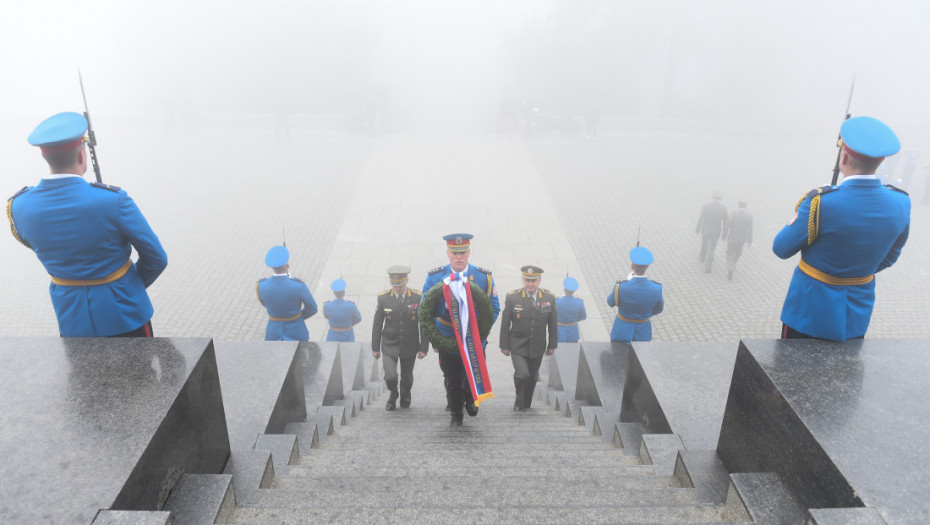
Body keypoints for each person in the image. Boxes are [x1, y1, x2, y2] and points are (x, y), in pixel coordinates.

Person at [7, 112, 167, 337]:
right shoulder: (114, 200)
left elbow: (35, 243)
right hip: (126, 316)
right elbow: (157, 257)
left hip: (71, 320)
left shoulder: (17, 206)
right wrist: (129, 287)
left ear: (46, 157)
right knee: (140, 373)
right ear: (82, 156)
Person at [774, 116, 910, 341]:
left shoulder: (820, 202)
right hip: (856, 313)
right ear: (881, 161)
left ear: (843, 157)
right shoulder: (901, 202)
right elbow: (890, 258)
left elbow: (781, 248)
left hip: (809, 313)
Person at [422, 233, 500, 426]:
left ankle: (471, 396)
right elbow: (425, 308)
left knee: (471, 373)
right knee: (453, 379)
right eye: (455, 252)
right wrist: (446, 308)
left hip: (474, 338)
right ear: (448, 253)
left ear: (468, 253)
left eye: (463, 252)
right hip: (447, 337)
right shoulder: (435, 277)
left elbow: (494, 307)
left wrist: (480, 330)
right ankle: (456, 414)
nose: (459, 257)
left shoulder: (483, 277)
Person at [500, 265, 558, 411]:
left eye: (533, 281)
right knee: (522, 374)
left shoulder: (548, 297)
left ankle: (527, 403)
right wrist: (504, 345)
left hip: (537, 346)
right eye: (527, 280)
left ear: (539, 281)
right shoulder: (513, 297)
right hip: (518, 345)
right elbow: (505, 323)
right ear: (523, 280)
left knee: (532, 377)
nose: (530, 284)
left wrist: (552, 345)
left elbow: (552, 323)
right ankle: (519, 401)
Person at [372, 266, 428, 411]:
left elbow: (423, 323)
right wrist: (375, 347)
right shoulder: (383, 298)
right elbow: (377, 324)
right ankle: (393, 393)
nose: (398, 289)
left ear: (407, 281)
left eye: (401, 285)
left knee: (407, 377)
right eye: (395, 286)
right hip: (389, 344)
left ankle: (405, 394)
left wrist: (423, 347)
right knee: (390, 376)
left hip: (409, 344)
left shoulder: (417, 297)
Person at [256, 245, 317, 341]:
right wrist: (297, 317)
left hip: (273, 333)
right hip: (297, 331)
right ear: (287, 265)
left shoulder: (260, 286)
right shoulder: (299, 286)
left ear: (272, 266)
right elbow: (313, 308)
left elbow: (265, 304)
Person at [607, 247, 664, 343]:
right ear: (648, 266)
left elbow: (610, 302)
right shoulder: (656, 288)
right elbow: (659, 309)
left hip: (622, 330)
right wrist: (644, 314)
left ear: (632, 265)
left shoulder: (620, 287)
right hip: (643, 331)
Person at [695, 191, 728, 273]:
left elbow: (701, 219)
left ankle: (702, 257)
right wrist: (724, 235)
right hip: (715, 232)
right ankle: (707, 267)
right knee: (711, 249)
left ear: (713, 198)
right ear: (720, 199)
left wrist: (697, 230)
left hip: (705, 229)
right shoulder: (723, 209)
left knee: (704, 244)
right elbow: (726, 223)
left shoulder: (706, 206)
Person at [722, 201, 753, 280]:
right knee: (738, 253)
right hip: (742, 239)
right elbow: (750, 230)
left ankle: (730, 267)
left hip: (732, 238)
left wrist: (724, 236)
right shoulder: (749, 217)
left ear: (738, 206)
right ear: (745, 207)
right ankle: (733, 263)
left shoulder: (732, 214)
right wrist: (749, 241)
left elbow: (727, 226)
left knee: (729, 254)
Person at [556, 276, 586, 343]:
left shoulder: (557, 302)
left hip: (559, 331)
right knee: (572, 351)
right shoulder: (579, 303)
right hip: (573, 332)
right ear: (574, 291)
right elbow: (583, 316)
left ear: (564, 289)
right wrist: (573, 319)